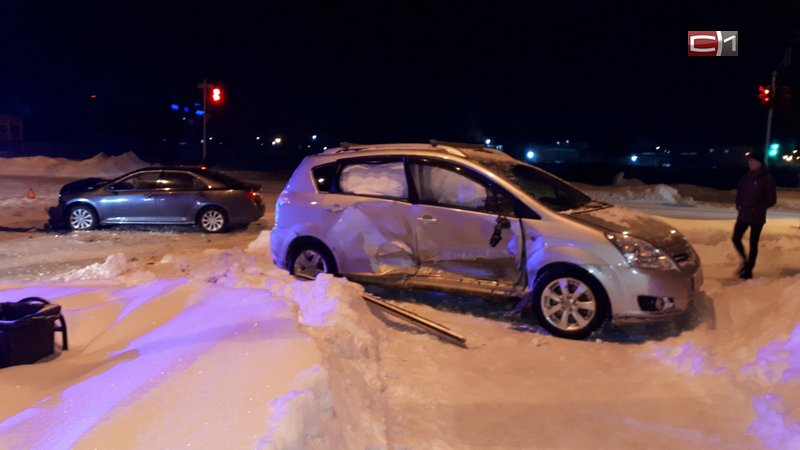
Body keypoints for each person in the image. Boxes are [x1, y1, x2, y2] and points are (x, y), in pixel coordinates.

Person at [732, 152, 777, 279]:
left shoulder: (767, 179)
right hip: (743, 214)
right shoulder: (745, 177)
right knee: (735, 238)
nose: (749, 163)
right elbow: (740, 193)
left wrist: (757, 208)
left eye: (752, 161)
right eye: (749, 161)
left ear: (759, 163)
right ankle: (745, 262)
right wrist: (738, 204)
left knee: (753, 242)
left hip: (757, 216)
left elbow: (771, 199)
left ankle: (749, 270)